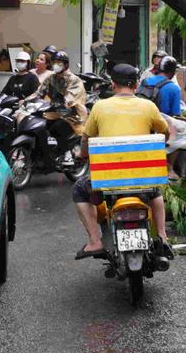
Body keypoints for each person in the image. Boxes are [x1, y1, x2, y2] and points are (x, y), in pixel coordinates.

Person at [72, 62, 173, 260]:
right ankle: (162, 236)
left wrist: (83, 154)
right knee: (155, 191)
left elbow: (86, 139)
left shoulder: (100, 107)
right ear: (136, 85)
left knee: (79, 189)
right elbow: (165, 134)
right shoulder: (148, 106)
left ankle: (95, 241)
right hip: (143, 177)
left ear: (112, 84)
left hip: (107, 179)